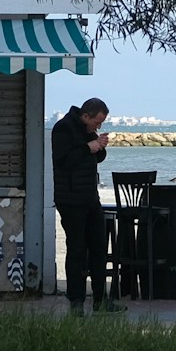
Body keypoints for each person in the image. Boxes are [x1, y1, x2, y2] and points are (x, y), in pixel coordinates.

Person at [52, 97, 116, 315]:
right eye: (97, 122)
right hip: (70, 199)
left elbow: (96, 158)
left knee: (98, 247)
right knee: (77, 250)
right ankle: (76, 301)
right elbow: (63, 161)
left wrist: (99, 147)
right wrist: (88, 148)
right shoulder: (63, 129)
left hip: (90, 197)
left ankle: (100, 300)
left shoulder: (88, 130)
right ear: (86, 116)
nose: (98, 127)